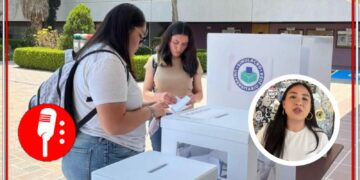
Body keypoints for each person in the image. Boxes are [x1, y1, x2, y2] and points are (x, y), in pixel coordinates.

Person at [61, 3, 167, 179]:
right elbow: (114, 124)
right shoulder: (107, 61)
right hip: (104, 154)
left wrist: (151, 102)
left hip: (98, 152)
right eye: (140, 36)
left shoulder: (98, 53)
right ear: (126, 29)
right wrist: (152, 111)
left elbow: (112, 104)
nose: (140, 43)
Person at [143, 21, 203, 151]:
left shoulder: (194, 61)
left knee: (184, 160)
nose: (179, 48)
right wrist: (160, 96)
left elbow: (200, 94)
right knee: (160, 159)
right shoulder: (155, 60)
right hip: (160, 120)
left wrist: (191, 99)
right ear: (168, 40)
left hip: (186, 119)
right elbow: (145, 94)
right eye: (175, 42)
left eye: (184, 44)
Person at [256, 82, 329, 161]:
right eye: (293, 97)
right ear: (284, 104)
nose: (299, 102)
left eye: (304, 98)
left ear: (310, 107)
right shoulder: (267, 131)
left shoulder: (321, 137)